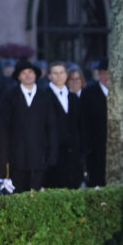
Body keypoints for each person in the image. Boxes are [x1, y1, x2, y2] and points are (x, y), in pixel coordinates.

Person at [0, 58, 58, 192]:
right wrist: (5, 156)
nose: (27, 75)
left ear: (36, 75)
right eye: (23, 73)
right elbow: (5, 128)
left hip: (40, 156)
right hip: (17, 157)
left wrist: (52, 153)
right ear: (19, 77)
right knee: (19, 195)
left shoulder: (45, 97)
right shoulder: (9, 97)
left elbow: (51, 127)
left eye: (30, 72)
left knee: (37, 196)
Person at [46, 61, 83, 189]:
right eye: (55, 73)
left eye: (62, 72)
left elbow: (80, 127)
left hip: (74, 158)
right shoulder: (43, 97)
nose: (59, 76)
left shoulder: (74, 98)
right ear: (49, 76)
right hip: (52, 159)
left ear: (66, 75)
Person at [81, 59, 109, 187]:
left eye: (109, 73)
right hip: (95, 147)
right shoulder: (88, 93)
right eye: (103, 73)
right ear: (98, 74)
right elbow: (84, 121)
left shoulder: (121, 92)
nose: (107, 77)